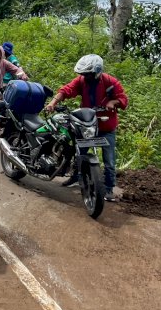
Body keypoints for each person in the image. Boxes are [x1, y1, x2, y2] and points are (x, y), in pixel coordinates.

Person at [44, 54, 128, 202]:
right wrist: (53, 102)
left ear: (97, 71)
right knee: (79, 154)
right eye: (83, 74)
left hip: (106, 127)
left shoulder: (111, 82)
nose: (85, 76)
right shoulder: (82, 81)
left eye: (88, 74)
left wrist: (113, 102)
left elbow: (123, 100)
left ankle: (108, 188)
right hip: (87, 125)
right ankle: (75, 177)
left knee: (109, 161)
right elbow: (66, 90)